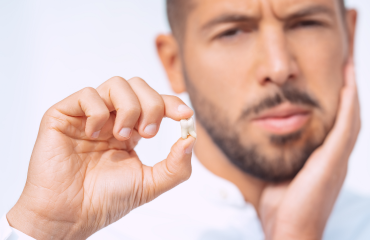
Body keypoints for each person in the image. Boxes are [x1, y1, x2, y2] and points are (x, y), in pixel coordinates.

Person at [0, 0, 368, 239]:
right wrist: (48, 230)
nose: (279, 67)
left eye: (305, 23)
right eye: (232, 31)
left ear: (349, 35)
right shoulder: (105, 230)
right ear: (174, 63)